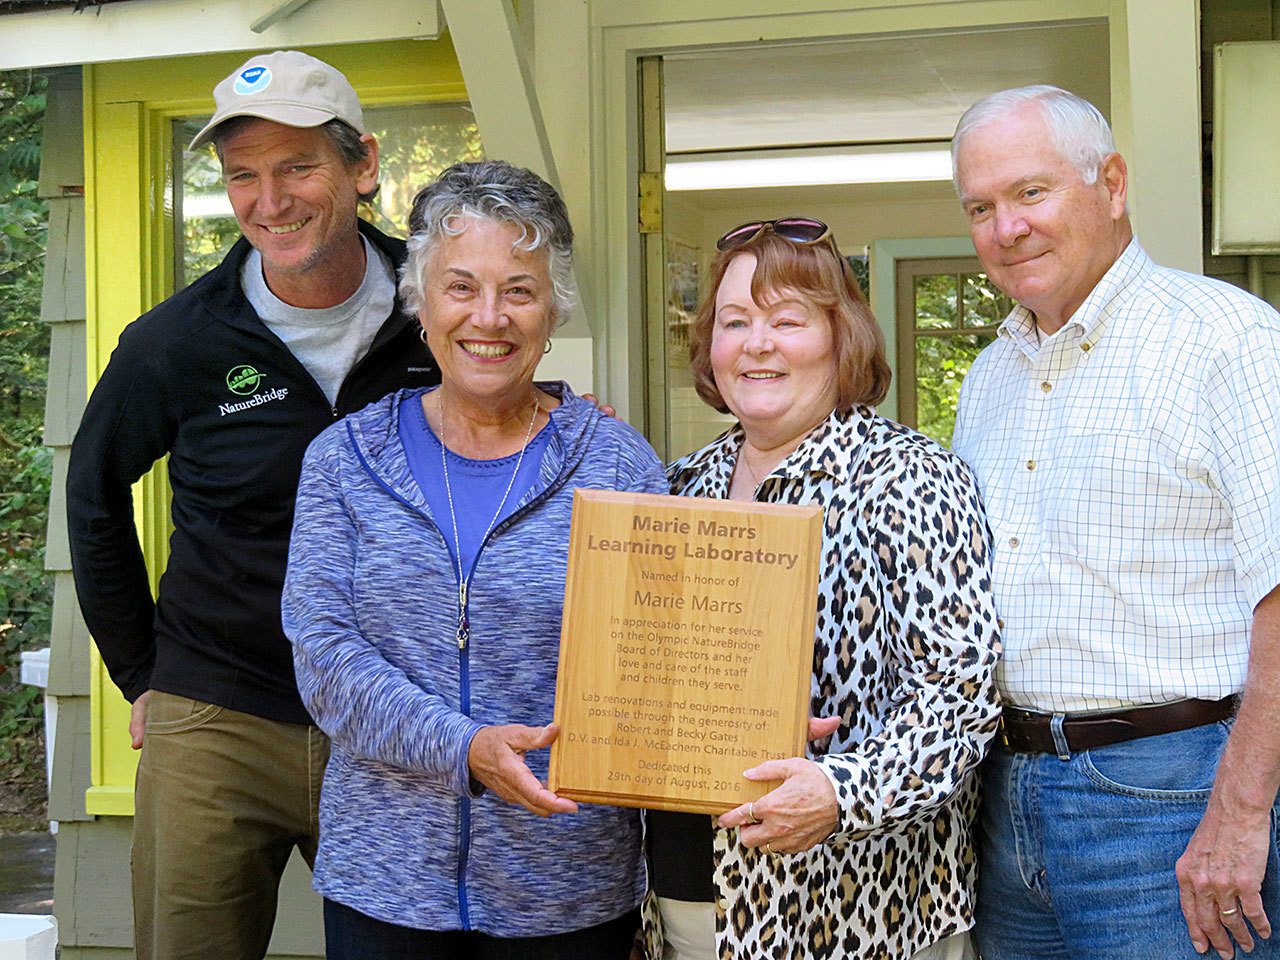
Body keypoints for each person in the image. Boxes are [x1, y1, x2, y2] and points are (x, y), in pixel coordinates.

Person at [65, 50, 441, 960]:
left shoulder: (441, 311)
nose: (269, 201)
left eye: (298, 167)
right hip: (218, 712)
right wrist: (139, 671)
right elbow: (92, 496)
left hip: (394, 713)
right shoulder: (175, 343)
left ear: (362, 165)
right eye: (243, 176)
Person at [281, 159, 666, 959]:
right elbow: (323, 656)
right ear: (420, 301)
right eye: (460, 287)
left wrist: (739, 718)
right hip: (383, 884)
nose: (488, 317)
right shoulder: (345, 459)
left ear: (553, 307)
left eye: (519, 290)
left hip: (568, 887)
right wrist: (464, 748)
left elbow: (660, 658)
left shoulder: (618, 464)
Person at [950, 85, 1280, 960]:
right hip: (1004, 797)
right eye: (980, 207)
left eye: (1030, 193)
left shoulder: (1227, 341)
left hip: (1169, 800)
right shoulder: (989, 376)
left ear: (1114, 185)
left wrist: (1241, 815)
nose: (1005, 228)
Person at [643, 217, 1002, 960]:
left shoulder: (910, 476)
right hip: (691, 894)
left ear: (843, 336)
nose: (757, 342)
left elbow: (960, 693)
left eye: (787, 320)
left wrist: (843, 790)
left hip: (853, 910)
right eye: (735, 321)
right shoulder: (681, 485)